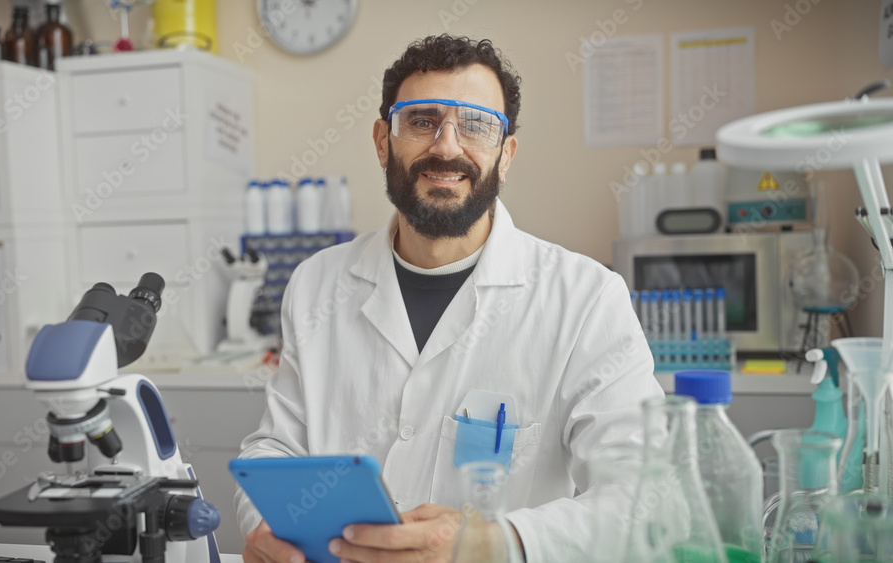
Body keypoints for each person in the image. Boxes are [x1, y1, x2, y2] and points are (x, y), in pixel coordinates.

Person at [236, 34, 663, 562]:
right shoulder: (316, 283)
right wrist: (268, 525)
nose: (446, 146)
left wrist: (496, 542)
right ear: (382, 141)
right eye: (422, 121)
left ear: (505, 155)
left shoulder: (586, 299)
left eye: (476, 125)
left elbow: (646, 497)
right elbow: (276, 447)